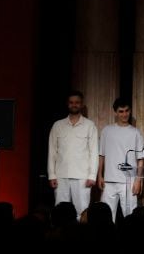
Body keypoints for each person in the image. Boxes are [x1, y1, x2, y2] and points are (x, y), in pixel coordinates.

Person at [48, 90, 99, 218]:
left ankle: (81, 237)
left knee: (82, 212)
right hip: (61, 175)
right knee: (60, 213)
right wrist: (51, 175)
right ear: (67, 104)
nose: (74, 105)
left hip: (82, 176)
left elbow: (94, 152)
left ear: (81, 104)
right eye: (71, 102)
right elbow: (52, 151)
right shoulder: (58, 125)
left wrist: (92, 175)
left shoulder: (89, 125)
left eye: (77, 102)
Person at [97, 97, 144, 222]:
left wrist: (138, 180)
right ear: (116, 112)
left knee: (131, 217)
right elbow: (101, 155)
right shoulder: (107, 131)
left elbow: (140, 159)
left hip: (129, 181)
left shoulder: (136, 133)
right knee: (105, 217)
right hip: (109, 181)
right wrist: (100, 175)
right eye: (121, 111)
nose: (125, 114)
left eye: (127, 111)